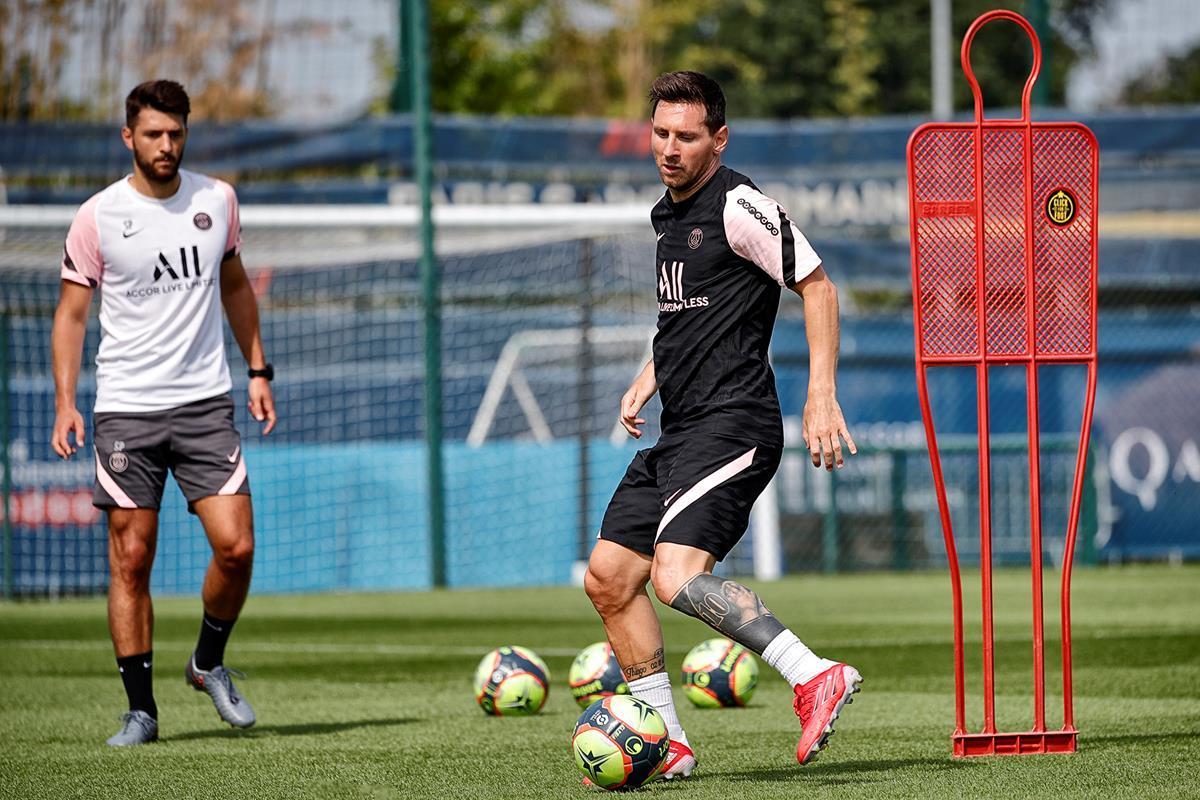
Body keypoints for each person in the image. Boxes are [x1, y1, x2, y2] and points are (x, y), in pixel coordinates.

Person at [584, 71, 861, 779]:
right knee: (611, 578)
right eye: (661, 133)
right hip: (682, 429)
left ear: (719, 138)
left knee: (675, 577)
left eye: (687, 136)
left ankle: (811, 674)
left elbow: (818, 284)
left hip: (735, 424)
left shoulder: (739, 204)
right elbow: (685, 319)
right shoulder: (667, 216)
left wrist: (820, 393)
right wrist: (648, 379)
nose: (669, 149)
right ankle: (670, 742)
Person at [50, 80, 277, 746]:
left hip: (206, 401)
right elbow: (70, 314)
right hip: (126, 409)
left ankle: (207, 662)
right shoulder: (97, 216)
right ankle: (141, 710)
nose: (166, 145)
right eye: (153, 134)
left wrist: (258, 369)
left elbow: (235, 286)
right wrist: (66, 401)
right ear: (129, 137)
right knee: (132, 557)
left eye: (175, 133)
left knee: (236, 548)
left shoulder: (218, 200)